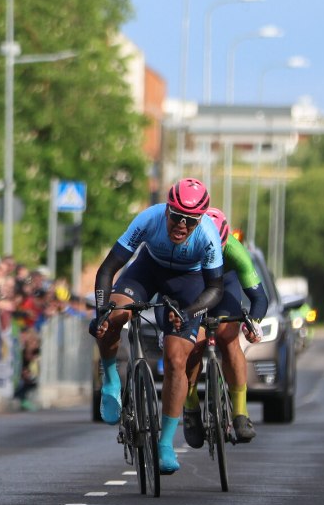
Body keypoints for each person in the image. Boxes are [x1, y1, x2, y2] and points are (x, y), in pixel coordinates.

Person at [90, 178, 224, 475]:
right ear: (167, 210)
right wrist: (102, 310)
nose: (181, 225)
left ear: (200, 219)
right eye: (176, 216)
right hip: (148, 270)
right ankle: (111, 378)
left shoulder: (208, 236)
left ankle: (165, 444)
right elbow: (108, 268)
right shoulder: (149, 218)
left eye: (190, 221)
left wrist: (189, 312)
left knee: (177, 358)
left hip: (189, 282)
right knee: (116, 315)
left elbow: (215, 289)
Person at [182, 207, 267, 447]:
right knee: (193, 344)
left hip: (224, 284)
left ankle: (240, 414)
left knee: (229, 339)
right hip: (193, 284)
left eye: (219, 248)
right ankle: (190, 408)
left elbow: (259, 297)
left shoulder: (235, 251)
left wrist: (255, 324)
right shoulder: (186, 245)